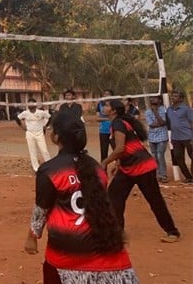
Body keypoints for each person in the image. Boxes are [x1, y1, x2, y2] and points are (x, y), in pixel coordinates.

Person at [24, 111, 138, 283]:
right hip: (108, 249)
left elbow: (41, 209)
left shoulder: (49, 170)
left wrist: (32, 237)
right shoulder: (96, 167)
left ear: (56, 137)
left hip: (67, 252)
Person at [101, 100, 180, 243]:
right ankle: (118, 232)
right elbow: (126, 147)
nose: (103, 107)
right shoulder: (119, 123)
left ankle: (172, 232)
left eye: (106, 105)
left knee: (154, 200)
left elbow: (120, 148)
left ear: (113, 111)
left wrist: (105, 162)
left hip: (143, 167)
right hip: (128, 168)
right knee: (114, 196)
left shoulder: (118, 123)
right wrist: (118, 163)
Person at [17, 99, 52, 172]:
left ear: (35, 105)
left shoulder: (41, 112)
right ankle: (36, 168)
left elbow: (50, 117)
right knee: (32, 151)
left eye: (32, 104)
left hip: (40, 133)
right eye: (29, 104)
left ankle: (50, 166)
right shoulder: (25, 113)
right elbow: (17, 118)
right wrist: (22, 126)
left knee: (44, 150)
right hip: (30, 133)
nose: (30, 105)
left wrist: (46, 126)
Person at [167, 90, 193, 183]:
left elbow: (191, 122)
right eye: (172, 96)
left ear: (181, 99)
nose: (173, 98)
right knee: (178, 157)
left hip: (187, 136)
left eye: (175, 96)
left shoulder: (186, 109)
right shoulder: (169, 109)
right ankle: (188, 177)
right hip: (175, 138)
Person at [145, 95, 169, 183]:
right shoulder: (147, 112)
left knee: (160, 155)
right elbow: (151, 124)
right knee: (154, 156)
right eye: (151, 98)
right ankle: (158, 175)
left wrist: (155, 112)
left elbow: (163, 122)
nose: (152, 99)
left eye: (154, 98)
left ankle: (163, 175)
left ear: (159, 100)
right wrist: (159, 122)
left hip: (162, 136)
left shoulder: (164, 109)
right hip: (152, 137)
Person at [96, 89, 114, 162]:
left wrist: (103, 118)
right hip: (103, 131)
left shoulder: (115, 104)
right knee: (104, 152)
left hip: (114, 130)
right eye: (104, 94)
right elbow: (97, 118)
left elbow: (115, 117)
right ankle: (103, 170)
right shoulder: (100, 104)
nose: (106, 95)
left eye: (107, 94)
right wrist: (108, 118)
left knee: (117, 151)